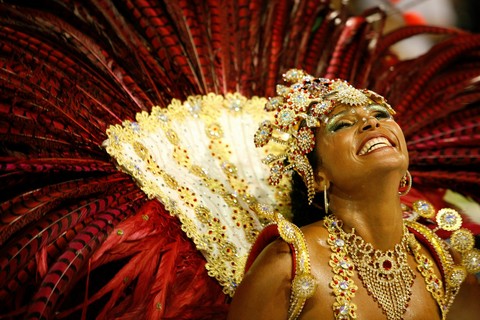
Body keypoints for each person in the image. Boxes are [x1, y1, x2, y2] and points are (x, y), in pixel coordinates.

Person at [227, 70, 480, 320]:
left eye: (380, 114)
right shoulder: (288, 265)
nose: (372, 123)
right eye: (343, 124)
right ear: (318, 176)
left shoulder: (442, 261)